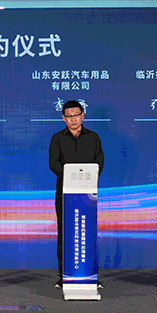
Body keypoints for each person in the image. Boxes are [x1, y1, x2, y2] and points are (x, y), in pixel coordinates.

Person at [48, 100, 104, 289]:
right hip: (65, 192)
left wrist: (88, 178)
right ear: (63, 118)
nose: (73, 119)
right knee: (65, 232)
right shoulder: (57, 138)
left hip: (88, 193)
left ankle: (91, 274)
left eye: (76, 115)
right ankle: (64, 275)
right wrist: (72, 178)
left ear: (83, 115)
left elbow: (99, 161)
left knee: (88, 231)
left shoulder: (93, 137)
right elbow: (53, 163)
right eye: (69, 116)